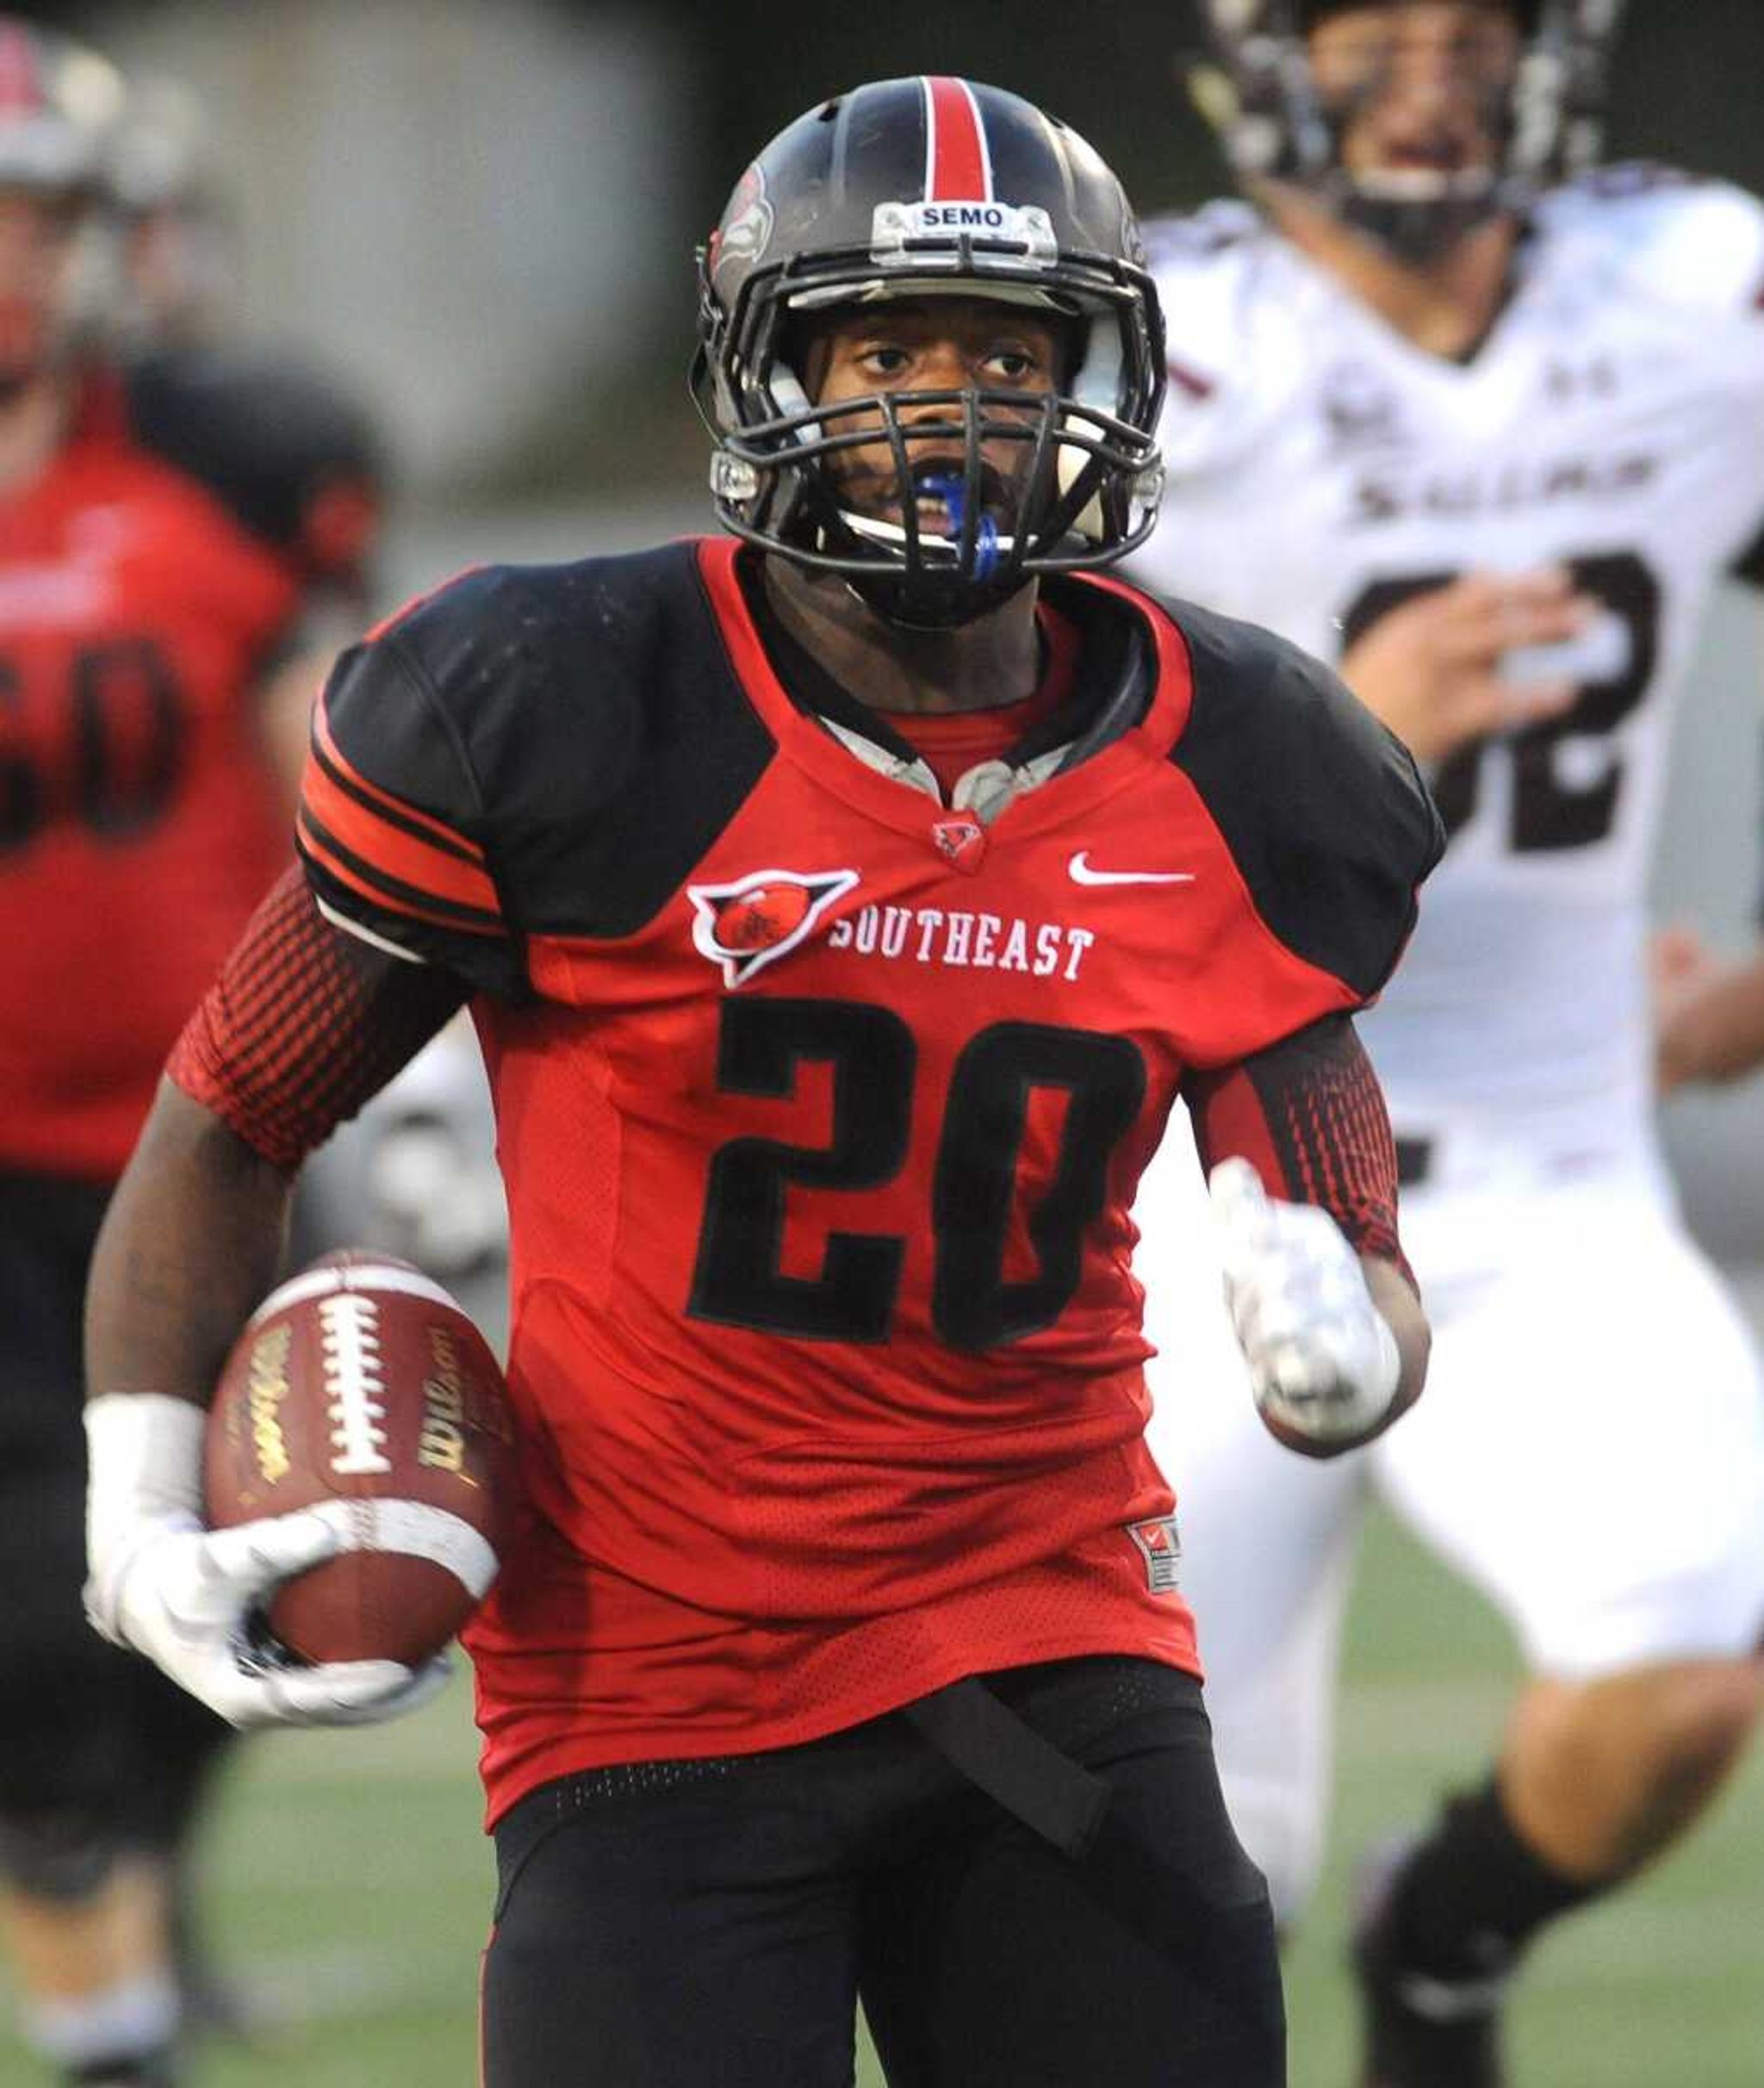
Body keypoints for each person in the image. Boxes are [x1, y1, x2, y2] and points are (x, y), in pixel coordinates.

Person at [80, 75, 1440, 2088]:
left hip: (1044, 1642)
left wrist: (1354, 1342)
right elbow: (236, 1116)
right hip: (647, 1682)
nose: (946, 408)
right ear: (758, 363)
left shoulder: (1249, 767)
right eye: (880, 348)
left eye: (1007, 353)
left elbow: (1348, 1253)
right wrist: (129, 1510)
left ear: (1107, 378)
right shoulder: (553, 707)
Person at [1130, 3, 1764, 2081]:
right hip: (1175, 1171)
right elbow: (968, 790)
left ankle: (1451, 1943)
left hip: (1544, 1161)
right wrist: (1334, 720)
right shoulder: (1148, 339)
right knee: (1188, 1866)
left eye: (1473, 24)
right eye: (1373, 24)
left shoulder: (1685, 300)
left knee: (1681, 1664)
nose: (1434, 68)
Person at [0, 22, 382, 2085]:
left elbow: (351, 789)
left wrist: (410, 1086)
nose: (7, 259)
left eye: (30, 213)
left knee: (245, 1597)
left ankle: (120, 1895)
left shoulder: (230, 454)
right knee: (32, 1642)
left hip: (203, 1141)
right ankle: (113, 2018)